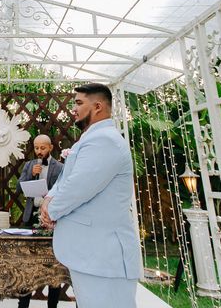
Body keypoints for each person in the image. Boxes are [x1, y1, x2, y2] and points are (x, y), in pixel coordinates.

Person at [39, 83, 141, 308]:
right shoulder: (90, 138)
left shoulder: (106, 141)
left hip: (104, 257)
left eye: (78, 103)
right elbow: (66, 178)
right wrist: (48, 199)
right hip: (91, 255)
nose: (72, 109)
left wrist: (50, 212)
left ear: (97, 106)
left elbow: (78, 187)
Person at [16, 135, 64, 308]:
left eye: (42, 148)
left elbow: (63, 189)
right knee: (26, 263)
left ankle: (52, 304)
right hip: (29, 219)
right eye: (36, 148)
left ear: (50, 147)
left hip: (50, 218)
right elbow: (18, 187)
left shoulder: (59, 167)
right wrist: (31, 174)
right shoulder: (29, 165)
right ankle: (23, 304)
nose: (39, 151)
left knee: (53, 265)